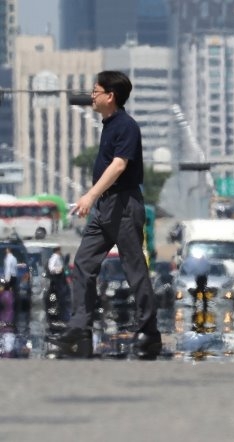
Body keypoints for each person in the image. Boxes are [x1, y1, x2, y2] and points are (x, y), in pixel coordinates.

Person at [46, 71, 161, 359]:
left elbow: (119, 166)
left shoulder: (126, 126)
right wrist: (94, 199)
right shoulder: (108, 126)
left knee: (134, 269)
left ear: (111, 96)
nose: (92, 96)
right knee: (83, 263)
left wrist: (90, 195)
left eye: (96, 91)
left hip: (123, 206)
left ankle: (149, 332)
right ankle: (80, 328)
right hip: (105, 208)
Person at [47, 246, 71, 324]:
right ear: (58, 250)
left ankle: (63, 316)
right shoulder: (55, 257)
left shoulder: (59, 258)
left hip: (60, 280)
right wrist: (59, 270)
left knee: (62, 299)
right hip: (58, 279)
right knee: (61, 299)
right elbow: (51, 268)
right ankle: (61, 317)